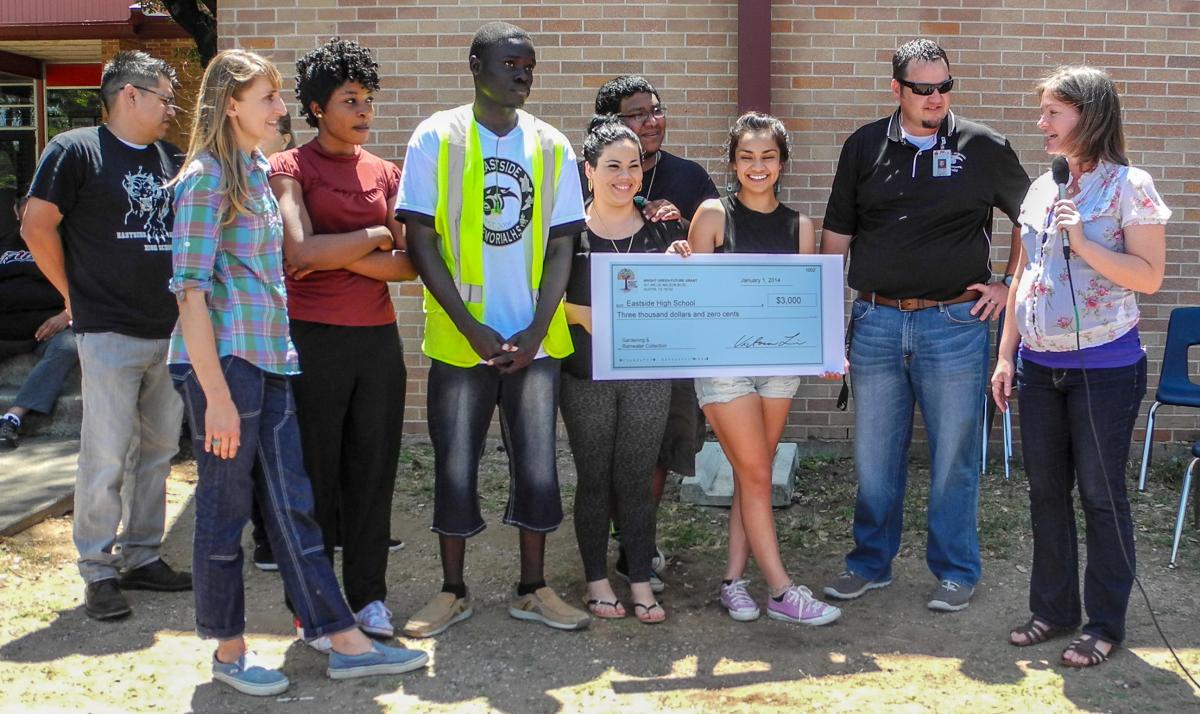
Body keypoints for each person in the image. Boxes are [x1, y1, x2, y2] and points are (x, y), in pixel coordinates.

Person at [168, 48, 427, 697]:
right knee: (226, 514)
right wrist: (218, 396)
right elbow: (192, 291)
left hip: (273, 357)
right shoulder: (206, 180)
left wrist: (342, 250)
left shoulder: (257, 171)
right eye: (267, 98)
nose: (280, 109)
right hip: (228, 364)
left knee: (294, 507)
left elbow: (306, 261)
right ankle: (229, 651)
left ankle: (340, 635)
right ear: (231, 105)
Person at [819, 38, 1030, 612]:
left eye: (944, 86)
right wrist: (822, 319)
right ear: (897, 90)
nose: (936, 97)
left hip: (955, 326)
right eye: (923, 88)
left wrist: (1007, 284)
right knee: (874, 458)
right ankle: (869, 564)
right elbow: (836, 235)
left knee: (956, 456)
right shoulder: (864, 146)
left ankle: (956, 570)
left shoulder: (982, 146)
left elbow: (1030, 219)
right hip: (878, 322)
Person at [397, 21, 590, 637]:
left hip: (534, 344)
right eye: (511, 63)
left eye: (529, 65)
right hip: (463, 343)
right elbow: (420, 240)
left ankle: (532, 588)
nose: (523, 74)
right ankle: (453, 591)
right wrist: (471, 325)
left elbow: (563, 244)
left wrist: (536, 329)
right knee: (456, 464)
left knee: (537, 463)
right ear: (475, 64)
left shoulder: (553, 144)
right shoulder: (436, 137)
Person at [992, 66, 1169, 667]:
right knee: (1046, 493)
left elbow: (1148, 277)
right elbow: (1022, 275)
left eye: (1052, 113)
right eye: (1042, 112)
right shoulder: (1043, 187)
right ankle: (1054, 609)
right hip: (1040, 366)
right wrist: (1005, 353)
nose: (1041, 123)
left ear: (1087, 116)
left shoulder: (1130, 186)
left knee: (1099, 494)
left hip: (1106, 367)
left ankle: (1103, 623)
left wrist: (1087, 244)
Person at [23, 50, 191, 621]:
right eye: (166, 97)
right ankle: (98, 569)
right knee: (106, 453)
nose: (172, 109)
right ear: (130, 95)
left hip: (170, 332)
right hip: (108, 331)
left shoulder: (172, 157)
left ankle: (142, 556)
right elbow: (36, 223)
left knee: (160, 450)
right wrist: (70, 294)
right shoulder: (74, 150)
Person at [269, 38, 416, 641]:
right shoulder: (289, 170)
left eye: (368, 100)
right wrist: (375, 236)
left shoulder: (387, 172)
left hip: (377, 344)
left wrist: (347, 249)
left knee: (373, 473)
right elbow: (296, 250)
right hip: (313, 341)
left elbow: (412, 265)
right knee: (317, 476)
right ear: (314, 106)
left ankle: (369, 597)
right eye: (349, 100)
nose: (363, 111)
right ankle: (314, 603)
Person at [670, 112, 841, 626]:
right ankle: (783, 590)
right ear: (733, 162)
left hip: (779, 368)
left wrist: (827, 351)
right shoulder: (712, 216)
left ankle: (732, 582)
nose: (757, 166)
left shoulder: (799, 226)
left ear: (782, 162)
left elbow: (805, 302)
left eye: (767, 156)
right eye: (746, 156)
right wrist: (680, 259)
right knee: (757, 472)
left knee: (754, 475)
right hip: (724, 367)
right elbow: (692, 297)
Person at [592, 74, 721, 591]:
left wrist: (686, 223)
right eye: (637, 113)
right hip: (607, 343)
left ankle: (635, 545)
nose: (651, 120)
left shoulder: (689, 178)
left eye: (656, 110)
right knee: (610, 448)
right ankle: (602, 544)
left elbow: (717, 246)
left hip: (674, 340)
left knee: (663, 444)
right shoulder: (591, 175)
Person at [561, 116, 685, 624]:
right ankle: (595, 579)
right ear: (589, 171)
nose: (625, 176)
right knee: (594, 477)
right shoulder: (568, 232)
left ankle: (638, 579)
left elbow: (682, 297)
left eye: (633, 166)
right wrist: (584, 315)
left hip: (647, 372)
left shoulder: (662, 227)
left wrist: (685, 265)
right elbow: (542, 299)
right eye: (612, 166)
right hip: (585, 372)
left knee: (636, 479)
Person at [0, 194, 78, 450]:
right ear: (16, 211)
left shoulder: (65, 245)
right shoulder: (4, 245)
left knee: (69, 345)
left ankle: (13, 417)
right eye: (26, 209)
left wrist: (65, 315)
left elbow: (82, 287)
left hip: (47, 330)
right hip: (6, 327)